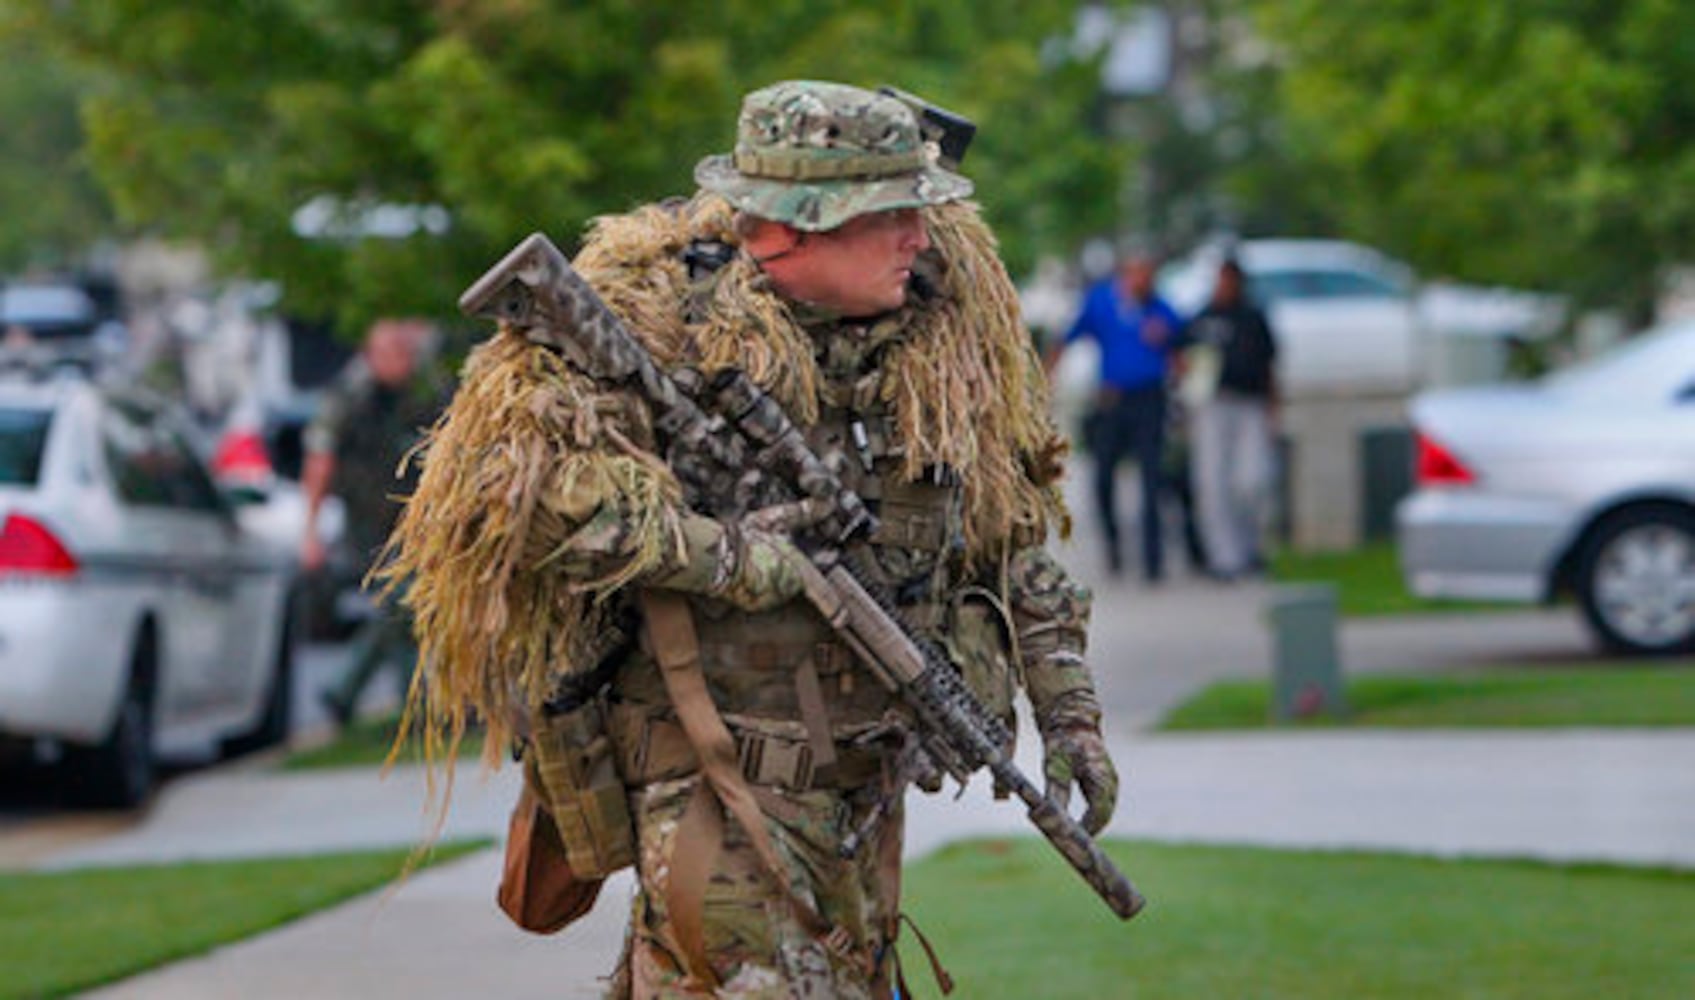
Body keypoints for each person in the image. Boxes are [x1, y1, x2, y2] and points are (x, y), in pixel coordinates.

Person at [381, 81, 1120, 998]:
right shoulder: (657, 327)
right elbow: (519, 502)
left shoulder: (935, 350)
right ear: (789, 230)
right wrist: (736, 560)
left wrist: (1069, 717)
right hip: (714, 795)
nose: (918, 239)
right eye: (886, 215)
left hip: (856, 808)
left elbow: (1008, 546)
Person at [302, 317, 444, 726]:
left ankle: (402, 706)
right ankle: (380, 698)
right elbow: (320, 464)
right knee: (399, 604)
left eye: (405, 353)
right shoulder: (347, 397)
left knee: (405, 606)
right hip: (366, 524)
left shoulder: (421, 392)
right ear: (370, 356)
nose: (400, 362)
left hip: (414, 522)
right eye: (389, 353)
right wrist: (310, 532)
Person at [1048, 251, 1184, 582]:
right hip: (1113, 399)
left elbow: (1180, 349)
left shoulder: (1160, 308)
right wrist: (1046, 376)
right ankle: (1114, 547)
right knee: (1103, 477)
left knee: (1151, 478)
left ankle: (1153, 562)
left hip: (1150, 400)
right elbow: (1068, 337)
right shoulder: (1102, 303)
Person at [1181, 257, 1279, 580]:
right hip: (1212, 406)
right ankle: (1224, 557)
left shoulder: (1253, 317)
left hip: (1249, 403)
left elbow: (1269, 366)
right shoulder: (1202, 318)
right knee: (1212, 483)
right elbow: (1183, 360)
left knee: (1252, 479)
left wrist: (1273, 407)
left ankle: (1249, 546)